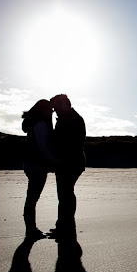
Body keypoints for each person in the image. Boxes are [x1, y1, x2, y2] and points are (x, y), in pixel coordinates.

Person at [48, 94, 86, 241]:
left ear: (64, 104)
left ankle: (65, 227)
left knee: (65, 195)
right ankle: (65, 225)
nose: (54, 110)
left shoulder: (70, 119)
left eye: (55, 106)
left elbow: (66, 143)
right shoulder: (71, 117)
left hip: (69, 162)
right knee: (66, 194)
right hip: (72, 162)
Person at [21, 99, 58, 240]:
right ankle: (31, 230)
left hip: (30, 163)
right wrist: (54, 162)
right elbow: (42, 147)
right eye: (50, 109)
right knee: (32, 199)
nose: (52, 111)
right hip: (37, 165)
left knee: (31, 198)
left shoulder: (33, 123)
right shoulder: (41, 125)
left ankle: (31, 229)